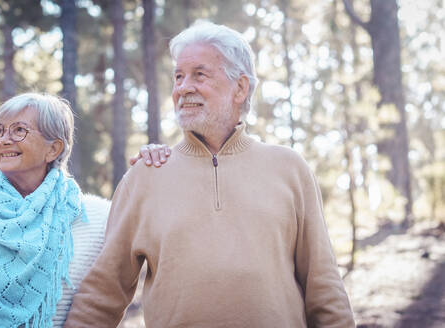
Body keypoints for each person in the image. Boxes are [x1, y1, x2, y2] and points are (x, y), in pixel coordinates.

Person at [65, 22, 355, 327]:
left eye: (199, 75)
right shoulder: (145, 175)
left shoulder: (289, 168)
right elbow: (103, 290)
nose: (183, 87)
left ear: (240, 88)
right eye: (178, 77)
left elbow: (323, 285)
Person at [0, 92, 170, 328]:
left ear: (53, 149)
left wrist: (157, 168)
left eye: (18, 130)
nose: (4, 140)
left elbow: (165, 240)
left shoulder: (100, 219)